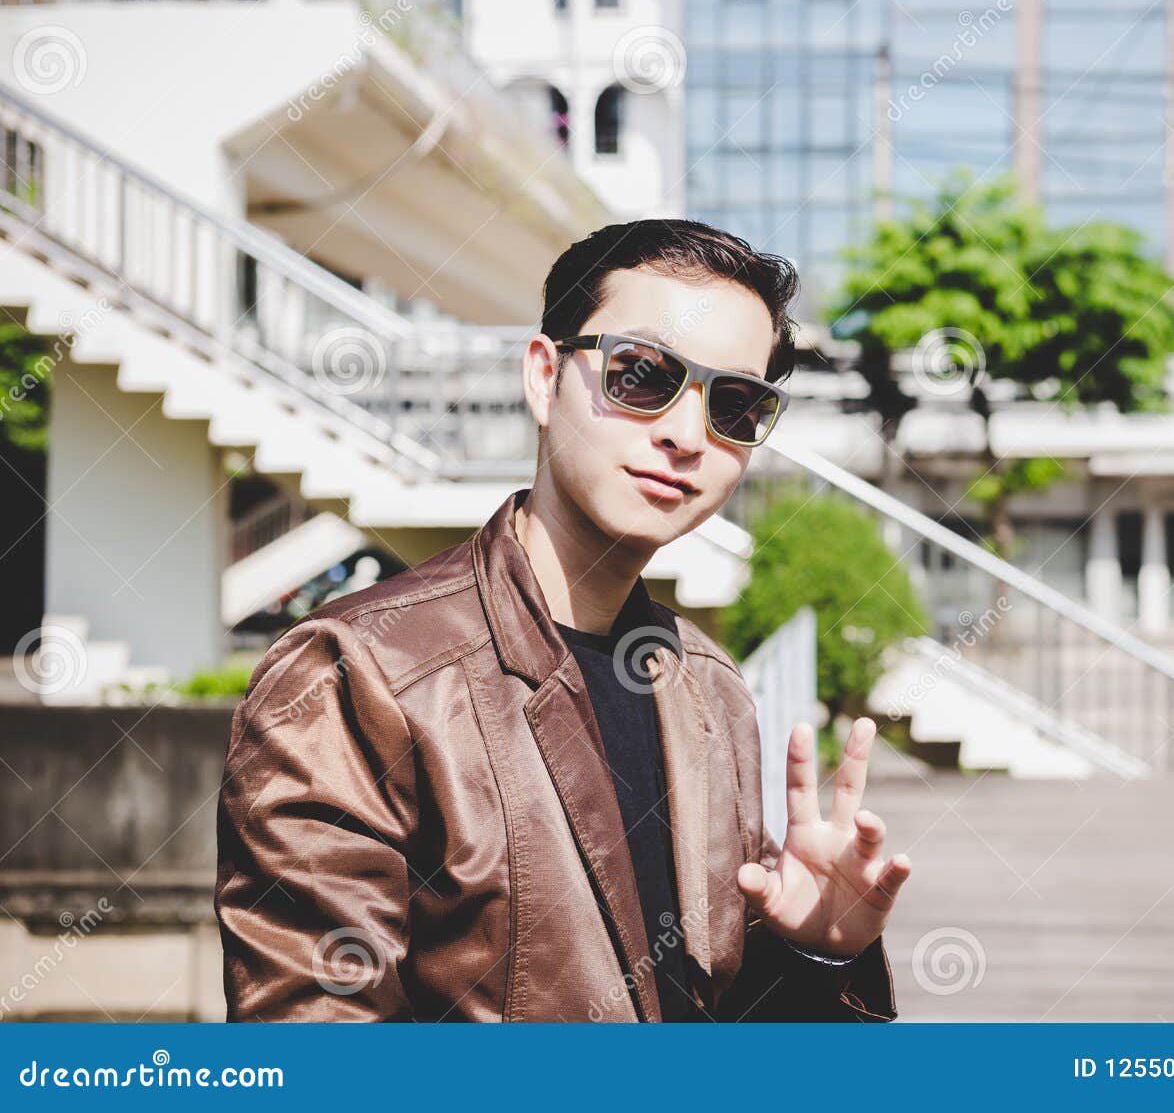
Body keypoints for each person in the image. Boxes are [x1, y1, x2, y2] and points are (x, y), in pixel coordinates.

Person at [214, 219, 911, 1021]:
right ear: (545, 377)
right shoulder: (358, 675)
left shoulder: (712, 691)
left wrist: (814, 952)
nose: (687, 434)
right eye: (641, 374)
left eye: (735, 403)